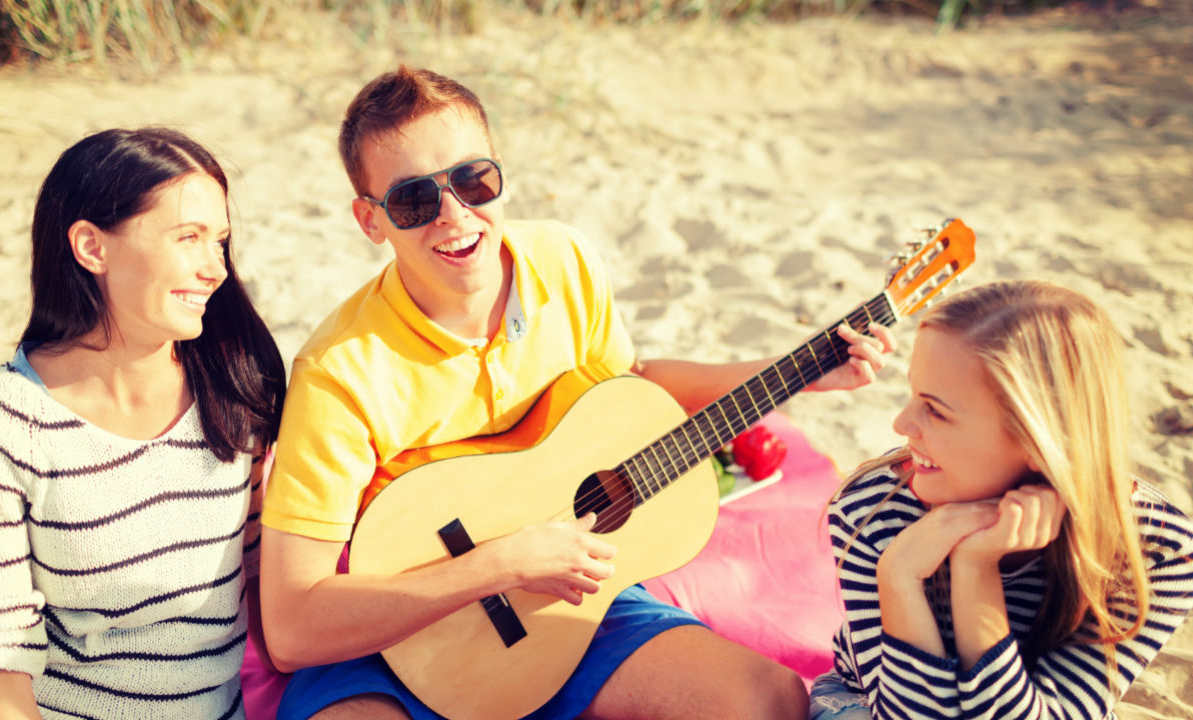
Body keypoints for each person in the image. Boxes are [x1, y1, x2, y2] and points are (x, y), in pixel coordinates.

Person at [259, 66, 896, 720]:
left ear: (500, 172)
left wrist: (796, 372)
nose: (455, 216)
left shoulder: (562, 263)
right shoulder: (339, 371)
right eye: (414, 201)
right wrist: (499, 566)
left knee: (763, 700)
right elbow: (292, 627)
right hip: (399, 639)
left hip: (568, 616)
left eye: (474, 180)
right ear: (370, 221)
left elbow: (630, 394)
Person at [0, 127, 286, 720]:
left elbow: (259, 570)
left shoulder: (236, 388)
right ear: (92, 247)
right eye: (187, 238)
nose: (214, 268)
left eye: (219, 240)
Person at [812, 280, 1193, 720]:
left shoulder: (1157, 548)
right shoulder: (871, 508)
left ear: (1041, 439)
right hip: (867, 704)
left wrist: (976, 568)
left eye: (935, 409)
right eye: (912, 394)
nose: (902, 424)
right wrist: (899, 575)